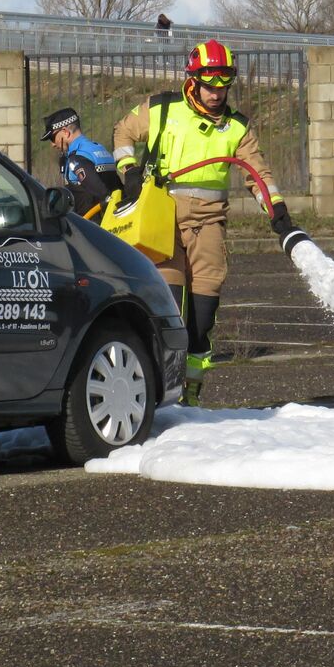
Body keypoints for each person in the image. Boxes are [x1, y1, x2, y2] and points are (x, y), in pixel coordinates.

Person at [112, 38, 306, 405]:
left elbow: (259, 174)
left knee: (202, 318)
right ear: (194, 80)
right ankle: (161, 393)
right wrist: (129, 168)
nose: (216, 94)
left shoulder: (237, 128)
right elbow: (123, 132)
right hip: (161, 224)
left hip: (208, 225)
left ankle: (192, 394)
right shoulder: (162, 109)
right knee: (169, 311)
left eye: (223, 87)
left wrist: (278, 212)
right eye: (209, 86)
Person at [40, 106, 120, 216]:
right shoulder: (99, 149)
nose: (52, 144)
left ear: (65, 132)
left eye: (53, 138)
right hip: (115, 217)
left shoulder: (76, 158)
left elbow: (102, 194)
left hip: (92, 223)